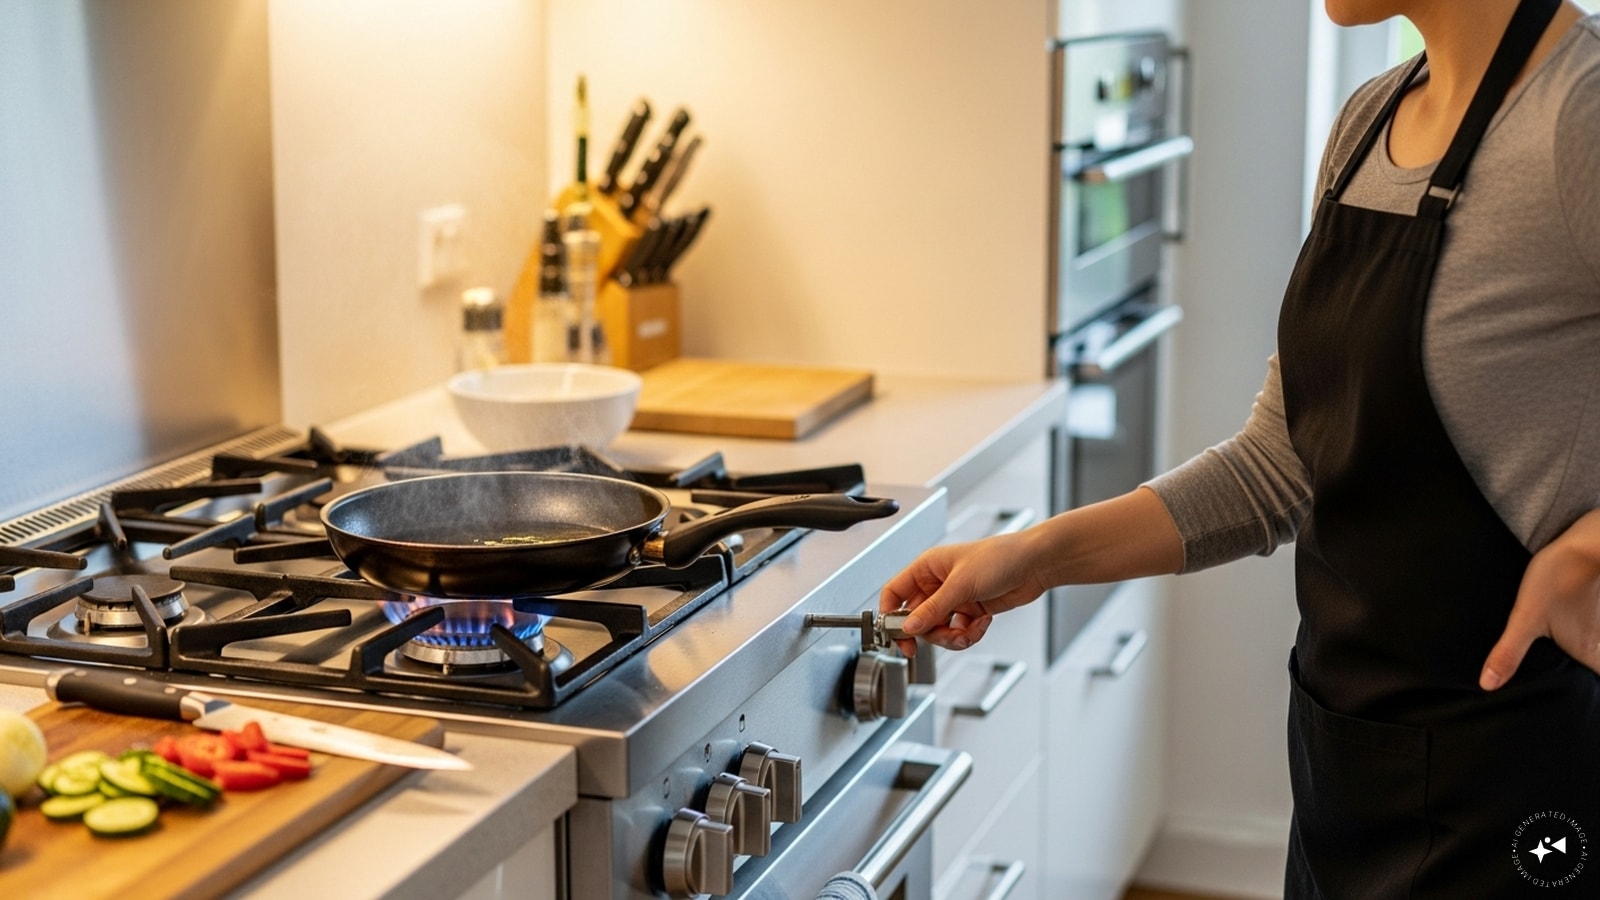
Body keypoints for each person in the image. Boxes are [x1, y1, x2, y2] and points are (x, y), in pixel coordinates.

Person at [880, 0, 1600, 896]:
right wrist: (1036, 555)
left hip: (1516, 786)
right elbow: (1283, 462)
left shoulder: (1579, 116)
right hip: (1345, 764)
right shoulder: (1369, 121)